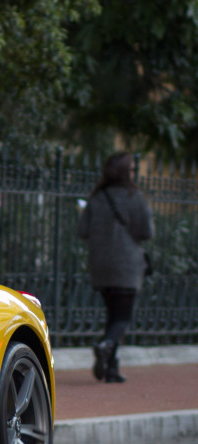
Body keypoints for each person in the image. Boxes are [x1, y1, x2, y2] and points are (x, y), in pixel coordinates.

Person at [76, 152, 154, 383]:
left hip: (100, 264)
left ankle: (111, 368)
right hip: (127, 264)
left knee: (112, 315)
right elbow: (147, 232)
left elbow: (82, 230)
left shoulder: (98, 197)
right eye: (131, 169)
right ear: (125, 172)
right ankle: (106, 345)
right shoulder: (136, 197)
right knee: (122, 317)